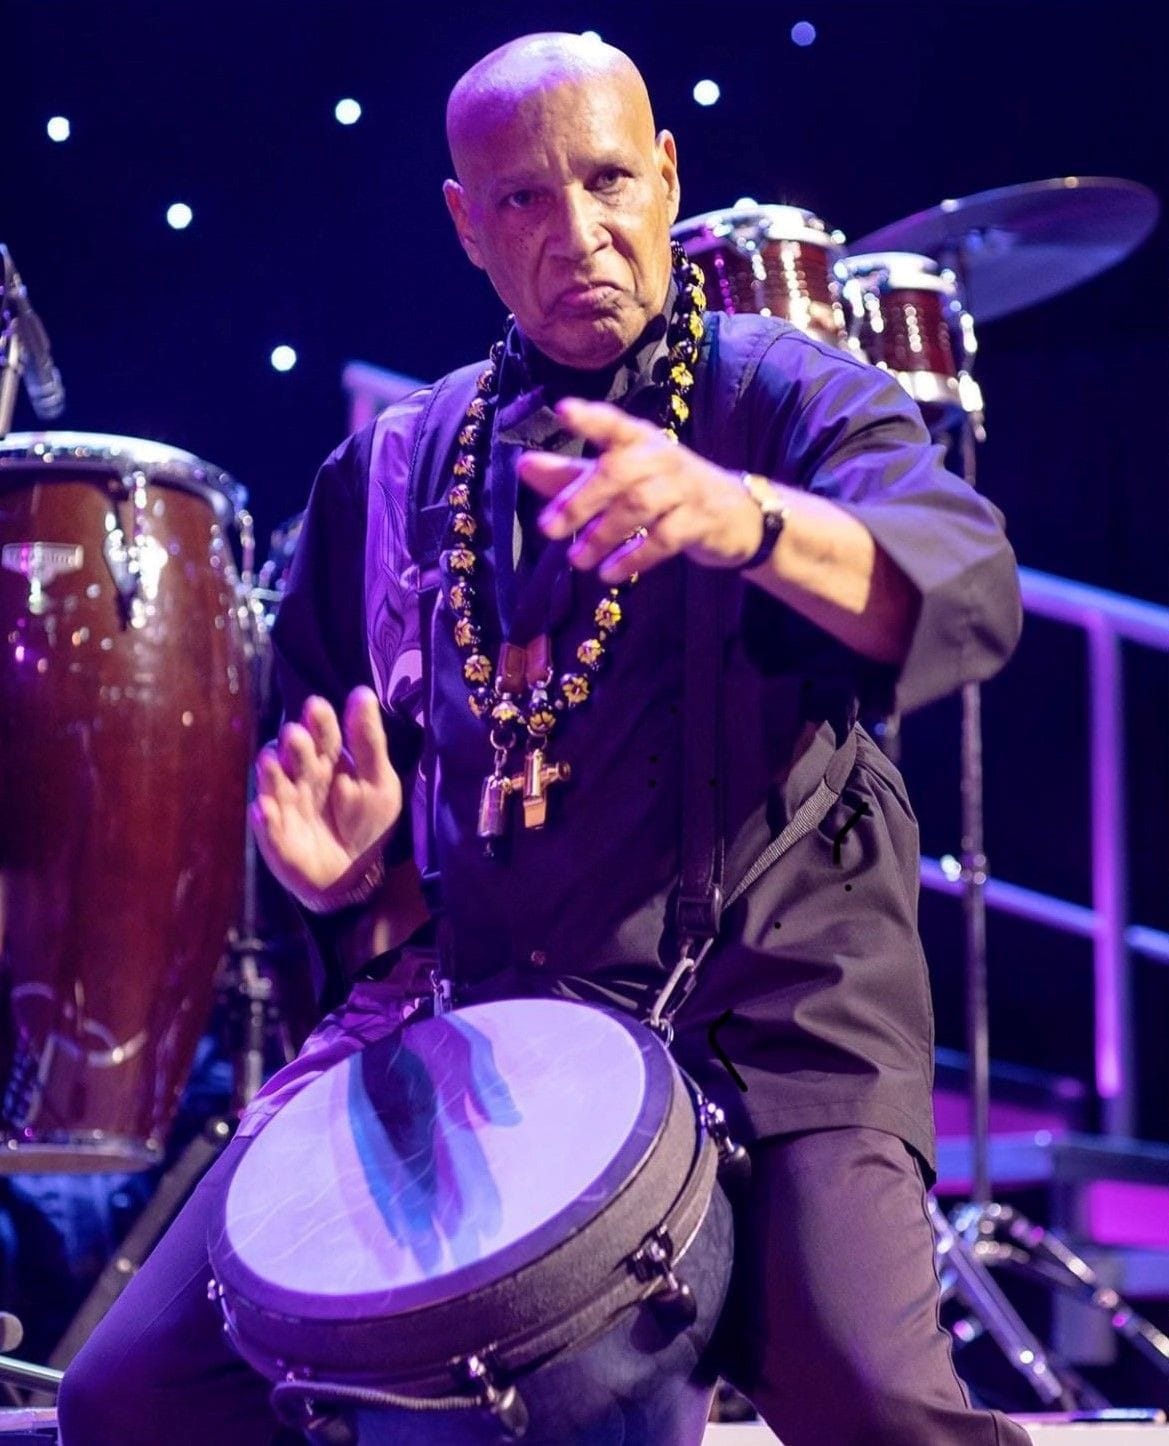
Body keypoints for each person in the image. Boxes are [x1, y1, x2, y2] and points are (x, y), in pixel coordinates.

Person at [59, 31, 1030, 1446]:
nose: (575, 233)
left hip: (773, 1014)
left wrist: (739, 518)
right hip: (477, 1021)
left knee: (875, 1400)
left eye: (607, 180)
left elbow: (966, 579)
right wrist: (353, 880)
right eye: (519, 199)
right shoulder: (396, 464)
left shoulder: (791, 396)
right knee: (134, 1392)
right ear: (463, 221)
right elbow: (352, 812)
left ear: (666, 177)